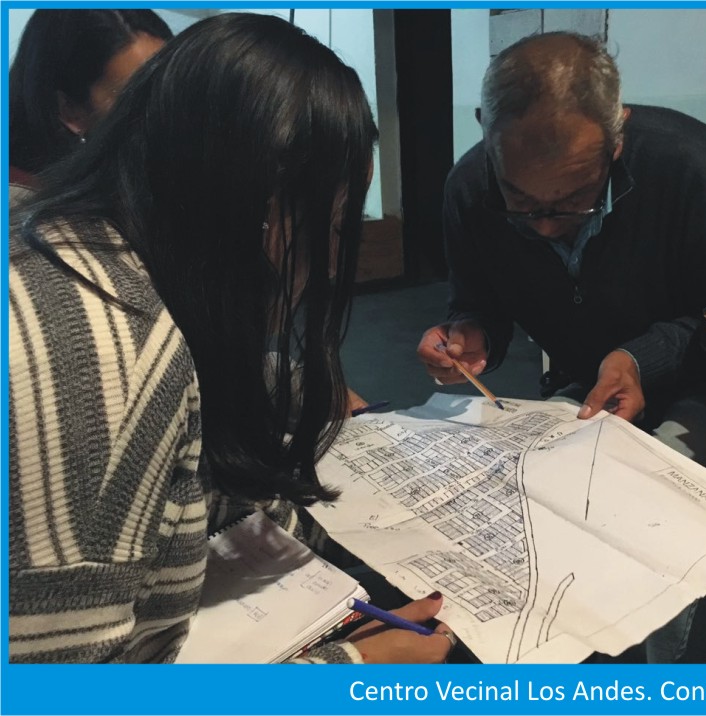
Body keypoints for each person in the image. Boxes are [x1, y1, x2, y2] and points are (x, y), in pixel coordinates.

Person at [9, 12, 453, 665]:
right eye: (330, 227)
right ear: (247, 209)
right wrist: (351, 670)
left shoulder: (84, 246)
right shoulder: (104, 361)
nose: (333, 266)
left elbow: (196, 475)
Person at [417, 31, 706, 661]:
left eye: (573, 202)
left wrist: (639, 357)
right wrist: (471, 333)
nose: (545, 225)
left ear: (617, 139)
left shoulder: (686, 164)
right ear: (486, 131)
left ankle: (645, 677)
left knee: (642, 502)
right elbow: (478, 301)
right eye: (520, 201)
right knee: (519, 489)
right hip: (595, 387)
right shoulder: (469, 188)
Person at [9, 10, 172, 198]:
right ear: (70, 112)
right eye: (134, 97)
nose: (161, 107)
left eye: (165, 83)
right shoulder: (20, 199)